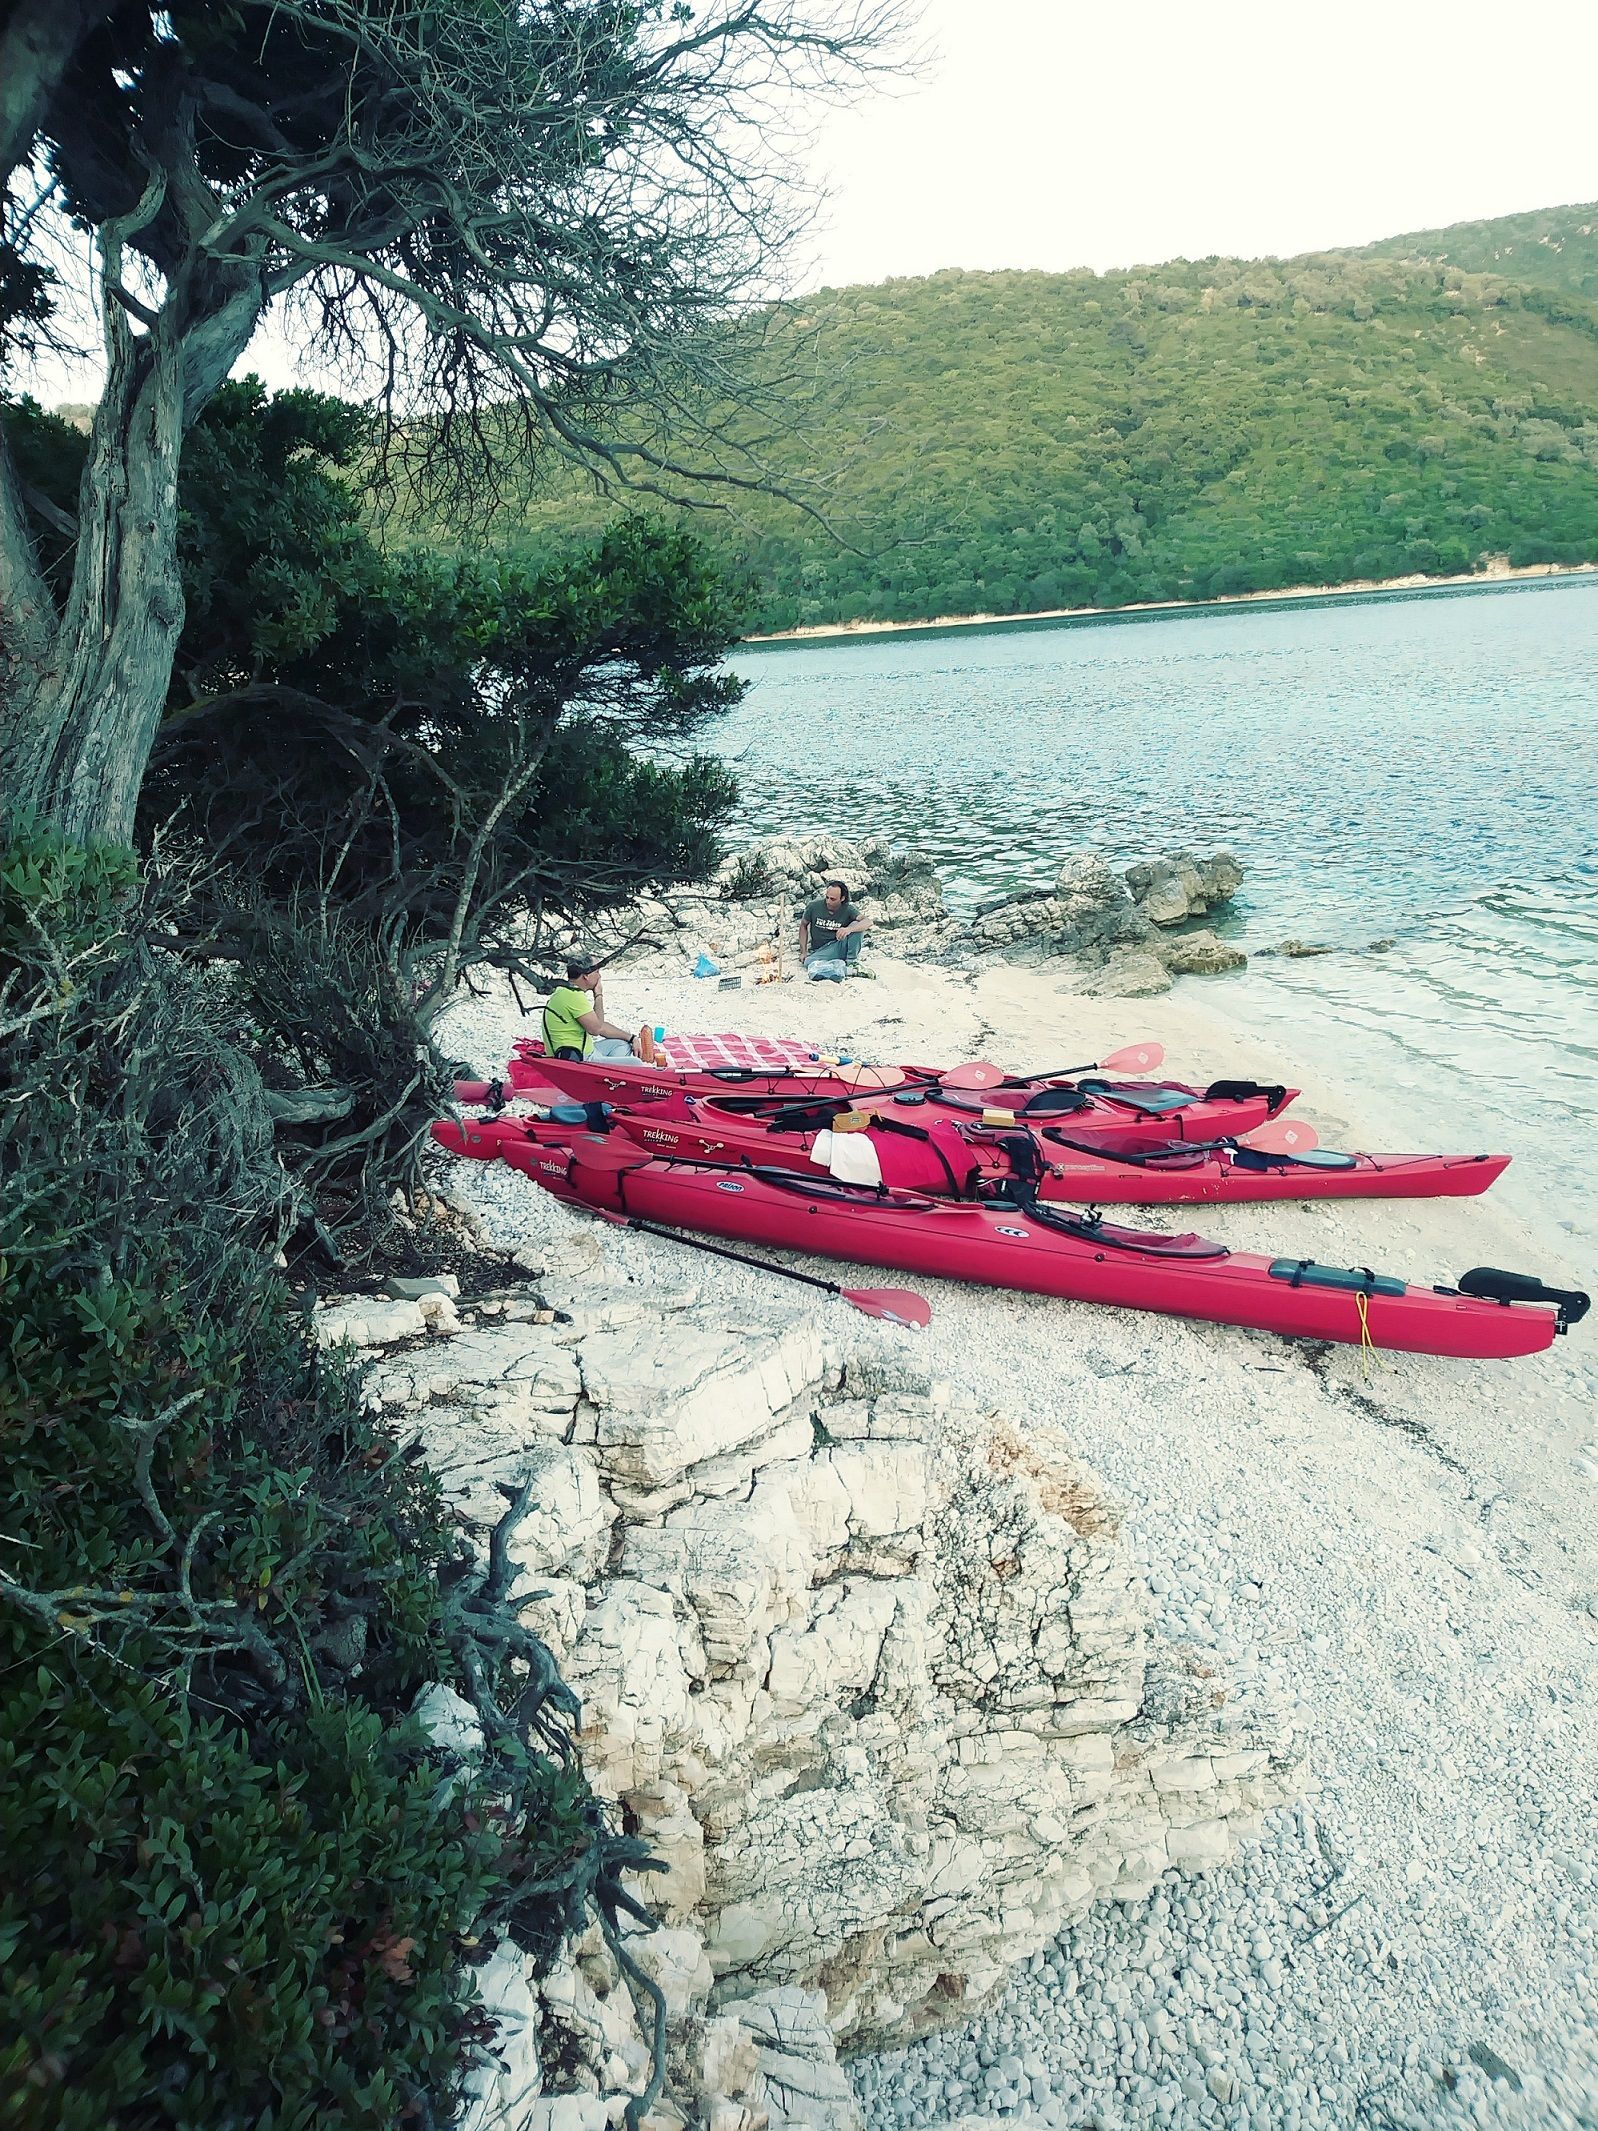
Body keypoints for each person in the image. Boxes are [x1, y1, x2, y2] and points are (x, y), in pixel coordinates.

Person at [542, 953, 646, 1060]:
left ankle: (610, 1067)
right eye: (597, 972)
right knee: (635, 1063)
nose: (599, 976)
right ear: (586, 976)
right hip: (578, 1057)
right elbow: (597, 1029)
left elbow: (599, 1025)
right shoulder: (573, 996)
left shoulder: (563, 991)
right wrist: (598, 995)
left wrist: (631, 1038)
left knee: (623, 1045)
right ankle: (608, 1071)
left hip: (580, 1050)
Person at [798, 878, 870, 981]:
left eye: (833, 899)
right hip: (822, 949)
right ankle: (845, 970)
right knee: (808, 962)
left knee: (857, 924)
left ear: (842, 898)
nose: (828, 902)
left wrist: (848, 929)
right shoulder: (814, 906)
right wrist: (803, 951)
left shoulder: (848, 909)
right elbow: (803, 926)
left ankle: (851, 962)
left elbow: (868, 922)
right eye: (827, 897)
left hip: (839, 944)